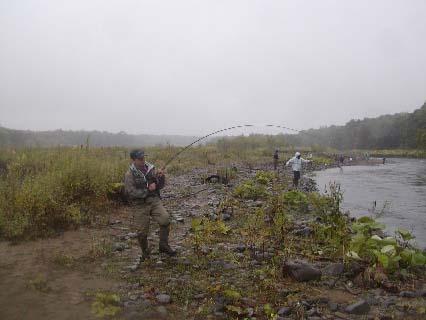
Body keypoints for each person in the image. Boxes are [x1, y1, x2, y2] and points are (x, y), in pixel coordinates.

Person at [124, 149, 176, 266]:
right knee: (141, 233)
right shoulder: (129, 174)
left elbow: (160, 186)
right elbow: (130, 192)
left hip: (154, 201)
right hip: (139, 205)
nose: (143, 160)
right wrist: (147, 190)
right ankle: (145, 252)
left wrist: (161, 178)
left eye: (143, 157)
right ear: (133, 160)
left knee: (165, 219)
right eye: (140, 159)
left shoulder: (151, 169)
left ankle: (163, 245)